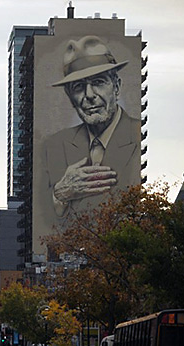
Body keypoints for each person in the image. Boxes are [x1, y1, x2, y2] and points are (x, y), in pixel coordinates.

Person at [41, 35, 141, 218]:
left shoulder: (138, 135)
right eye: (79, 87)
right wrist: (59, 194)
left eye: (98, 83)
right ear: (70, 96)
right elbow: (45, 221)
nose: (89, 95)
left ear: (117, 87)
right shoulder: (54, 146)